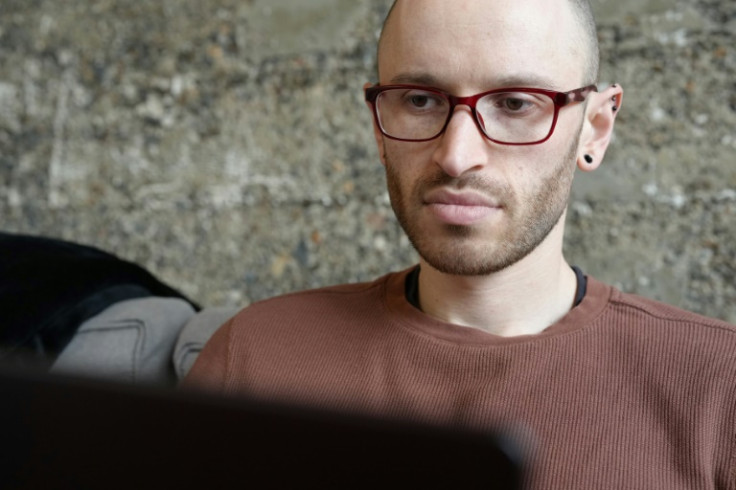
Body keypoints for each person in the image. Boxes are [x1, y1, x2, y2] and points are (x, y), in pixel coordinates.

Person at [183, 0, 736, 488]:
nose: (456, 155)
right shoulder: (255, 357)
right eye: (420, 100)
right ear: (378, 127)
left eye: (516, 103)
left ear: (594, 128)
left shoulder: (718, 385)